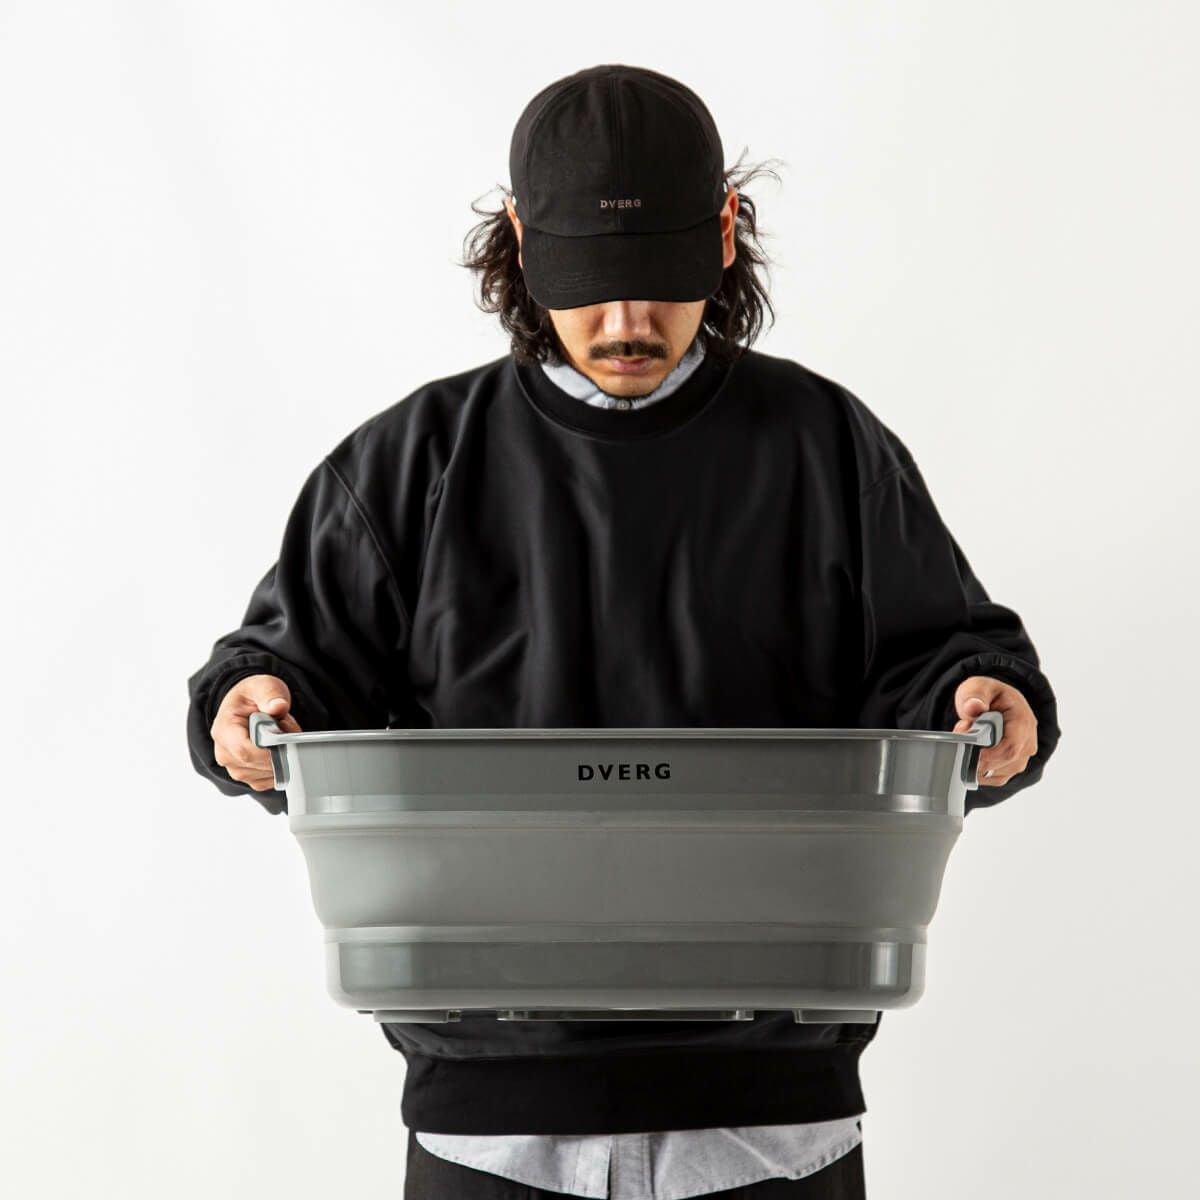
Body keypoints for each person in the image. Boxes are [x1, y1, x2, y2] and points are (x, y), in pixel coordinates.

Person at [186, 62, 1061, 1200]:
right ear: (519, 241)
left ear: (726, 234)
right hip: (491, 1131)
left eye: (658, 278)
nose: (627, 322)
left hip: (775, 1125)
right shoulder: (406, 466)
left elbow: (939, 664)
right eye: (592, 284)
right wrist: (249, 706)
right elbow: (291, 676)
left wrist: (985, 697)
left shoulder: (828, 449)